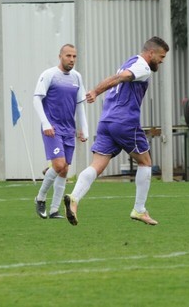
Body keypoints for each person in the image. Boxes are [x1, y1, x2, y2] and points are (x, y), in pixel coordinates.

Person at [63, 36, 169, 226]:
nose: (161, 61)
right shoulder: (143, 67)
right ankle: (139, 209)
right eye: (161, 57)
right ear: (151, 53)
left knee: (96, 165)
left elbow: (119, 76)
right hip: (124, 121)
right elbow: (119, 78)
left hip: (106, 120)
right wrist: (96, 91)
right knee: (145, 162)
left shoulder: (130, 61)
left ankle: (74, 199)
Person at [33, 44, 88, 219]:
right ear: (60, 56)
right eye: (68, 56)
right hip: (52, 128)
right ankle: (40, 198)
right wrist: (45, 124)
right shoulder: (49, 74)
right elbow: (37, 99)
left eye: (74, 56)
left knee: (64, 170)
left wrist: (84, 129)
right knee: (58, 165)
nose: (71, 59)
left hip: (69, 129)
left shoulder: (77, 77)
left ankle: (54, 210)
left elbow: (80, 105)